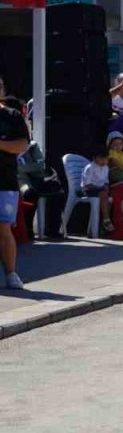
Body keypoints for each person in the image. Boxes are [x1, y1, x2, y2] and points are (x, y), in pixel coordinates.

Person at [0, 86, 30, 289]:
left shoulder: (12, 115)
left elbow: (21, 145)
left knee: (3, 228)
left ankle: (11, 273)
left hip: (5, 181)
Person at [81, 145, 114, 234]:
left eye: (106, 159)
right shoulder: (90, 168)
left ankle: (103, 221)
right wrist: (101, 188)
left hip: (100, 190)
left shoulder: (106, 167)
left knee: (110, 197)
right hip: (88, 190)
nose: (104, 161)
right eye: (101, 158)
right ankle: (106, 220)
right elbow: (87, 185)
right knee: (103, 194)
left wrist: (106, 186)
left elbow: (106, 181)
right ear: (94, 158)